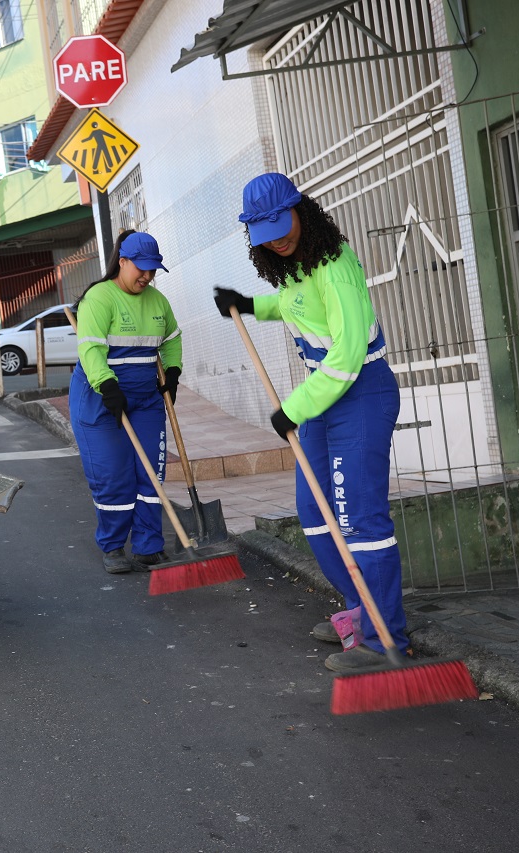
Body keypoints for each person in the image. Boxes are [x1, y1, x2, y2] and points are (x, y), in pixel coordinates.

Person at [214, 172, 405, 672]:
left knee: (359, 518)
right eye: (264, 233)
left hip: (360, 393)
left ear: (302, 211)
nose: (276, 239)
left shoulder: (334, 266)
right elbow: (295, 304)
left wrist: (293, 409)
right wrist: (249, 305)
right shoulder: (295, 266)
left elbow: (347, 355)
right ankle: (361, 611)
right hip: (325, 398)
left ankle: (386, 638)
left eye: (281, 225)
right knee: (315, 512)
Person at [69, 230, 183, 574]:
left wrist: (173, 371)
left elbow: (172, 339)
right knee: (114, 476)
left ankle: (148, 546)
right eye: (141, 268)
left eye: (152, 270)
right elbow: (90, 350)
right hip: (100, 398)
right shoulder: (99, 298)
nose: (147, 276)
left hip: (145, 399)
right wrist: (107, 386)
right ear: (123, 262)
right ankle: (114, 546)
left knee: (151, 474)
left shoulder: (158, 302)